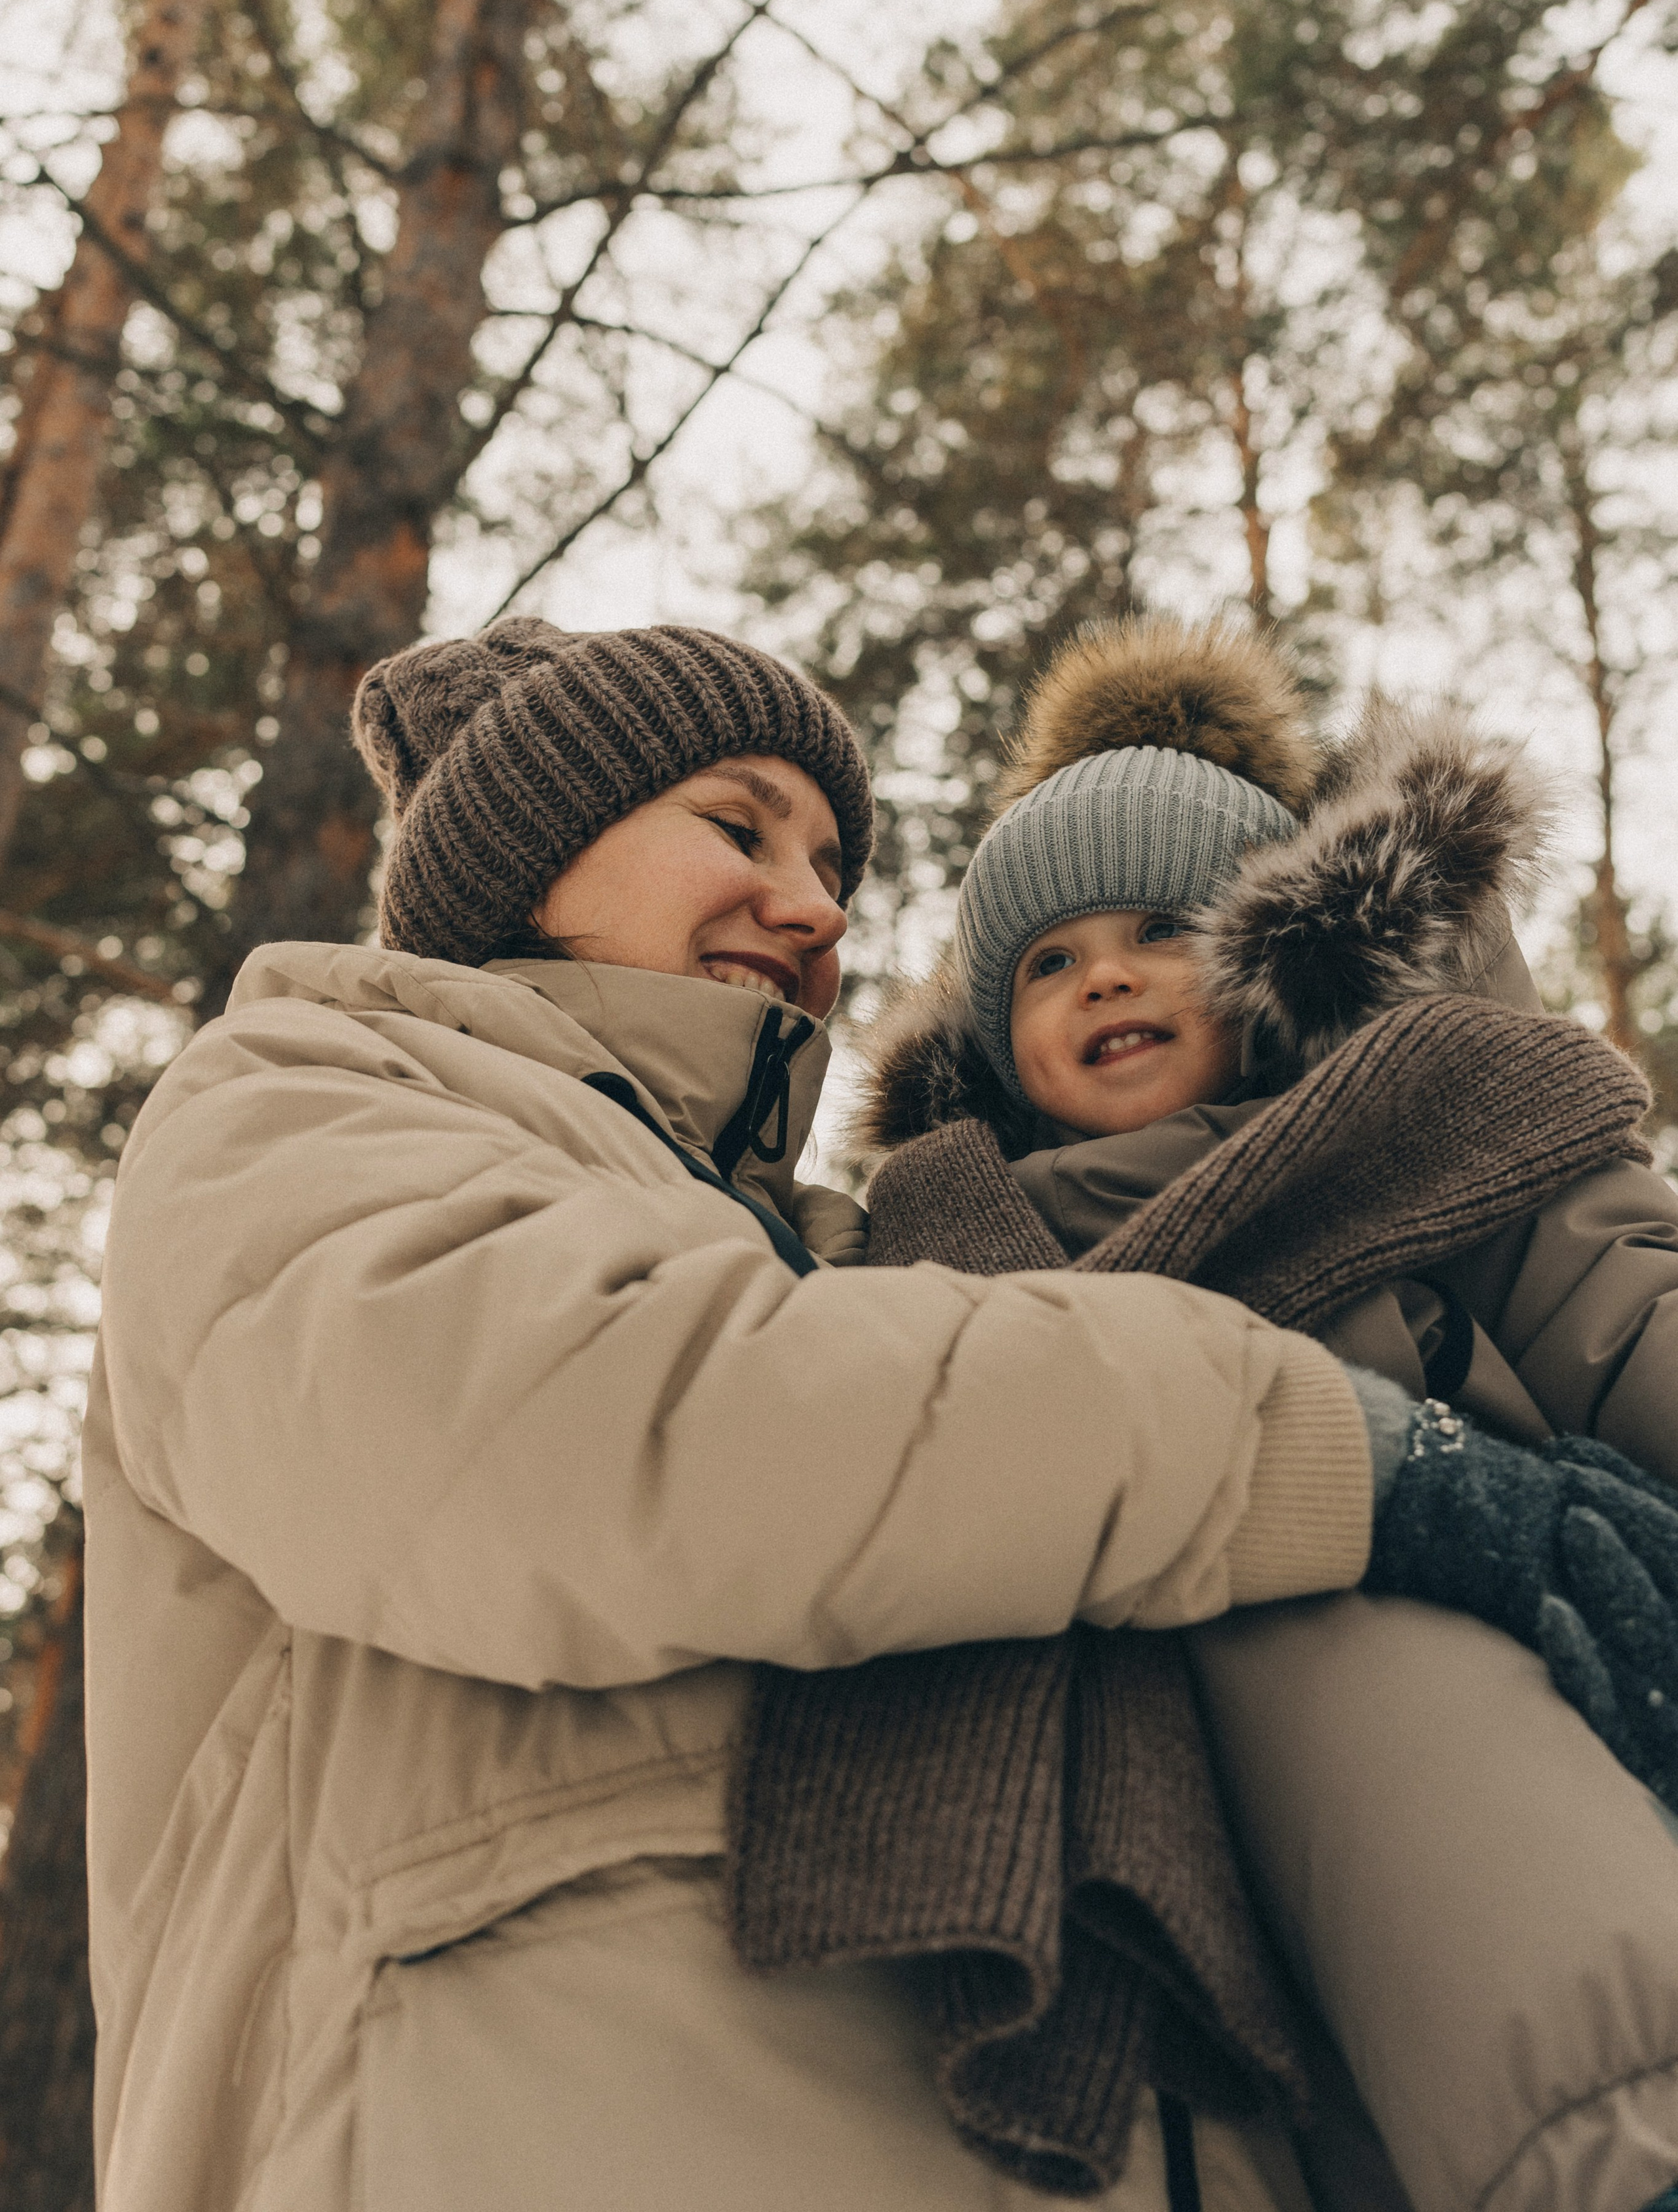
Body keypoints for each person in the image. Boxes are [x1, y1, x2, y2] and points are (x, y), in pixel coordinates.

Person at [87, 618, 1678, 2212]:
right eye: (737, 824)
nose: (815, 903)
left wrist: (1383, 964)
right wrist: (1348, 1452)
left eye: (830, 857)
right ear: (531, 857)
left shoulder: (856, 1243)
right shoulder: (315, 1093)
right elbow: (616, 1421)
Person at [856, 611, 1678, 2207]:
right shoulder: (953, 1242)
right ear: (998, 1051)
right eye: (1043, 960)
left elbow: (1624, 1314)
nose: (1099, 971)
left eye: (1155, 926)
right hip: (1154, 1847)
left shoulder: (1419, 1130)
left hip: (1505, 1712)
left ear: (1265, 960)